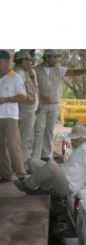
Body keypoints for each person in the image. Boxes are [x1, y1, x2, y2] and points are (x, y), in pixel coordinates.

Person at [14, 125, 86, 203]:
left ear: (82, 139)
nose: (72, 141)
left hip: (67, 187)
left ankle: (28, 186)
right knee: (32, 161)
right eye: (72, 139)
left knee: (52, 165)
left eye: (75, 139)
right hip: (60, 179)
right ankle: (44, 188)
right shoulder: (78, 149)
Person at [32, 49, 86, 162]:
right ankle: (35, 156)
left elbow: (72, 72)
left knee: (49, 130)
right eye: (54, 58)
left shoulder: (58, 69)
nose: (57, 60)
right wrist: (41, 96)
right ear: (47, 58)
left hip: (54, 104)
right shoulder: (35, 70)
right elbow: (32, 87)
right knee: (39, 129)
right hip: (41, 105)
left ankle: (45, 155)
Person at [0, 50, 28, 183]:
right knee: (0, 147)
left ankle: (21, 175)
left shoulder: (15, 77)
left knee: (13, 146)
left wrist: (6, 99)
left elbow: (23, 96)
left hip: (10, 117)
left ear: (6, 62)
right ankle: (6, 175)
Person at [13, 50, 39, 162]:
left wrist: (31, 74)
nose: (31, 62)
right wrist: (29, 98)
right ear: (23, 60)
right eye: (29, 60)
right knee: (26, 138)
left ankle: (20, 162)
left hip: (26, 109)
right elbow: (18, 90)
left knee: (23, 138)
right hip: (24, 109)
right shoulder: (18, 72)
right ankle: (23, 163)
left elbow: (33, 86)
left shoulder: (24, 71)